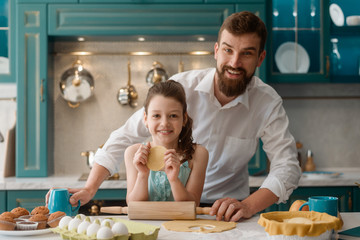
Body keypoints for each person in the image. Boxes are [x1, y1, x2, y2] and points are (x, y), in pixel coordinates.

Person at [46, 11, 301, 222]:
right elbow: (125, 136)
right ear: (216, 50)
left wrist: (248, 206)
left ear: (260, 58)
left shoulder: (267, 103)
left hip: (229, 211)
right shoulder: (181, 87)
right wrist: (90, 187)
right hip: (174, 210)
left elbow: (287, 166)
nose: (234, 61)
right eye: (228, 50)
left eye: (246, 53)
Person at [125, 80, 208, 205]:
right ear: (146, 119)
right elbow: (132, 204)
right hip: (145, 224)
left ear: (184, 118)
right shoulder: (133, 153)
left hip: (182, 224)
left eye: (173, 116)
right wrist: (143, 174)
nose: (164, 123)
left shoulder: (199, 154)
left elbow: (193, 204)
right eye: (156, 116)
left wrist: (174, 180)